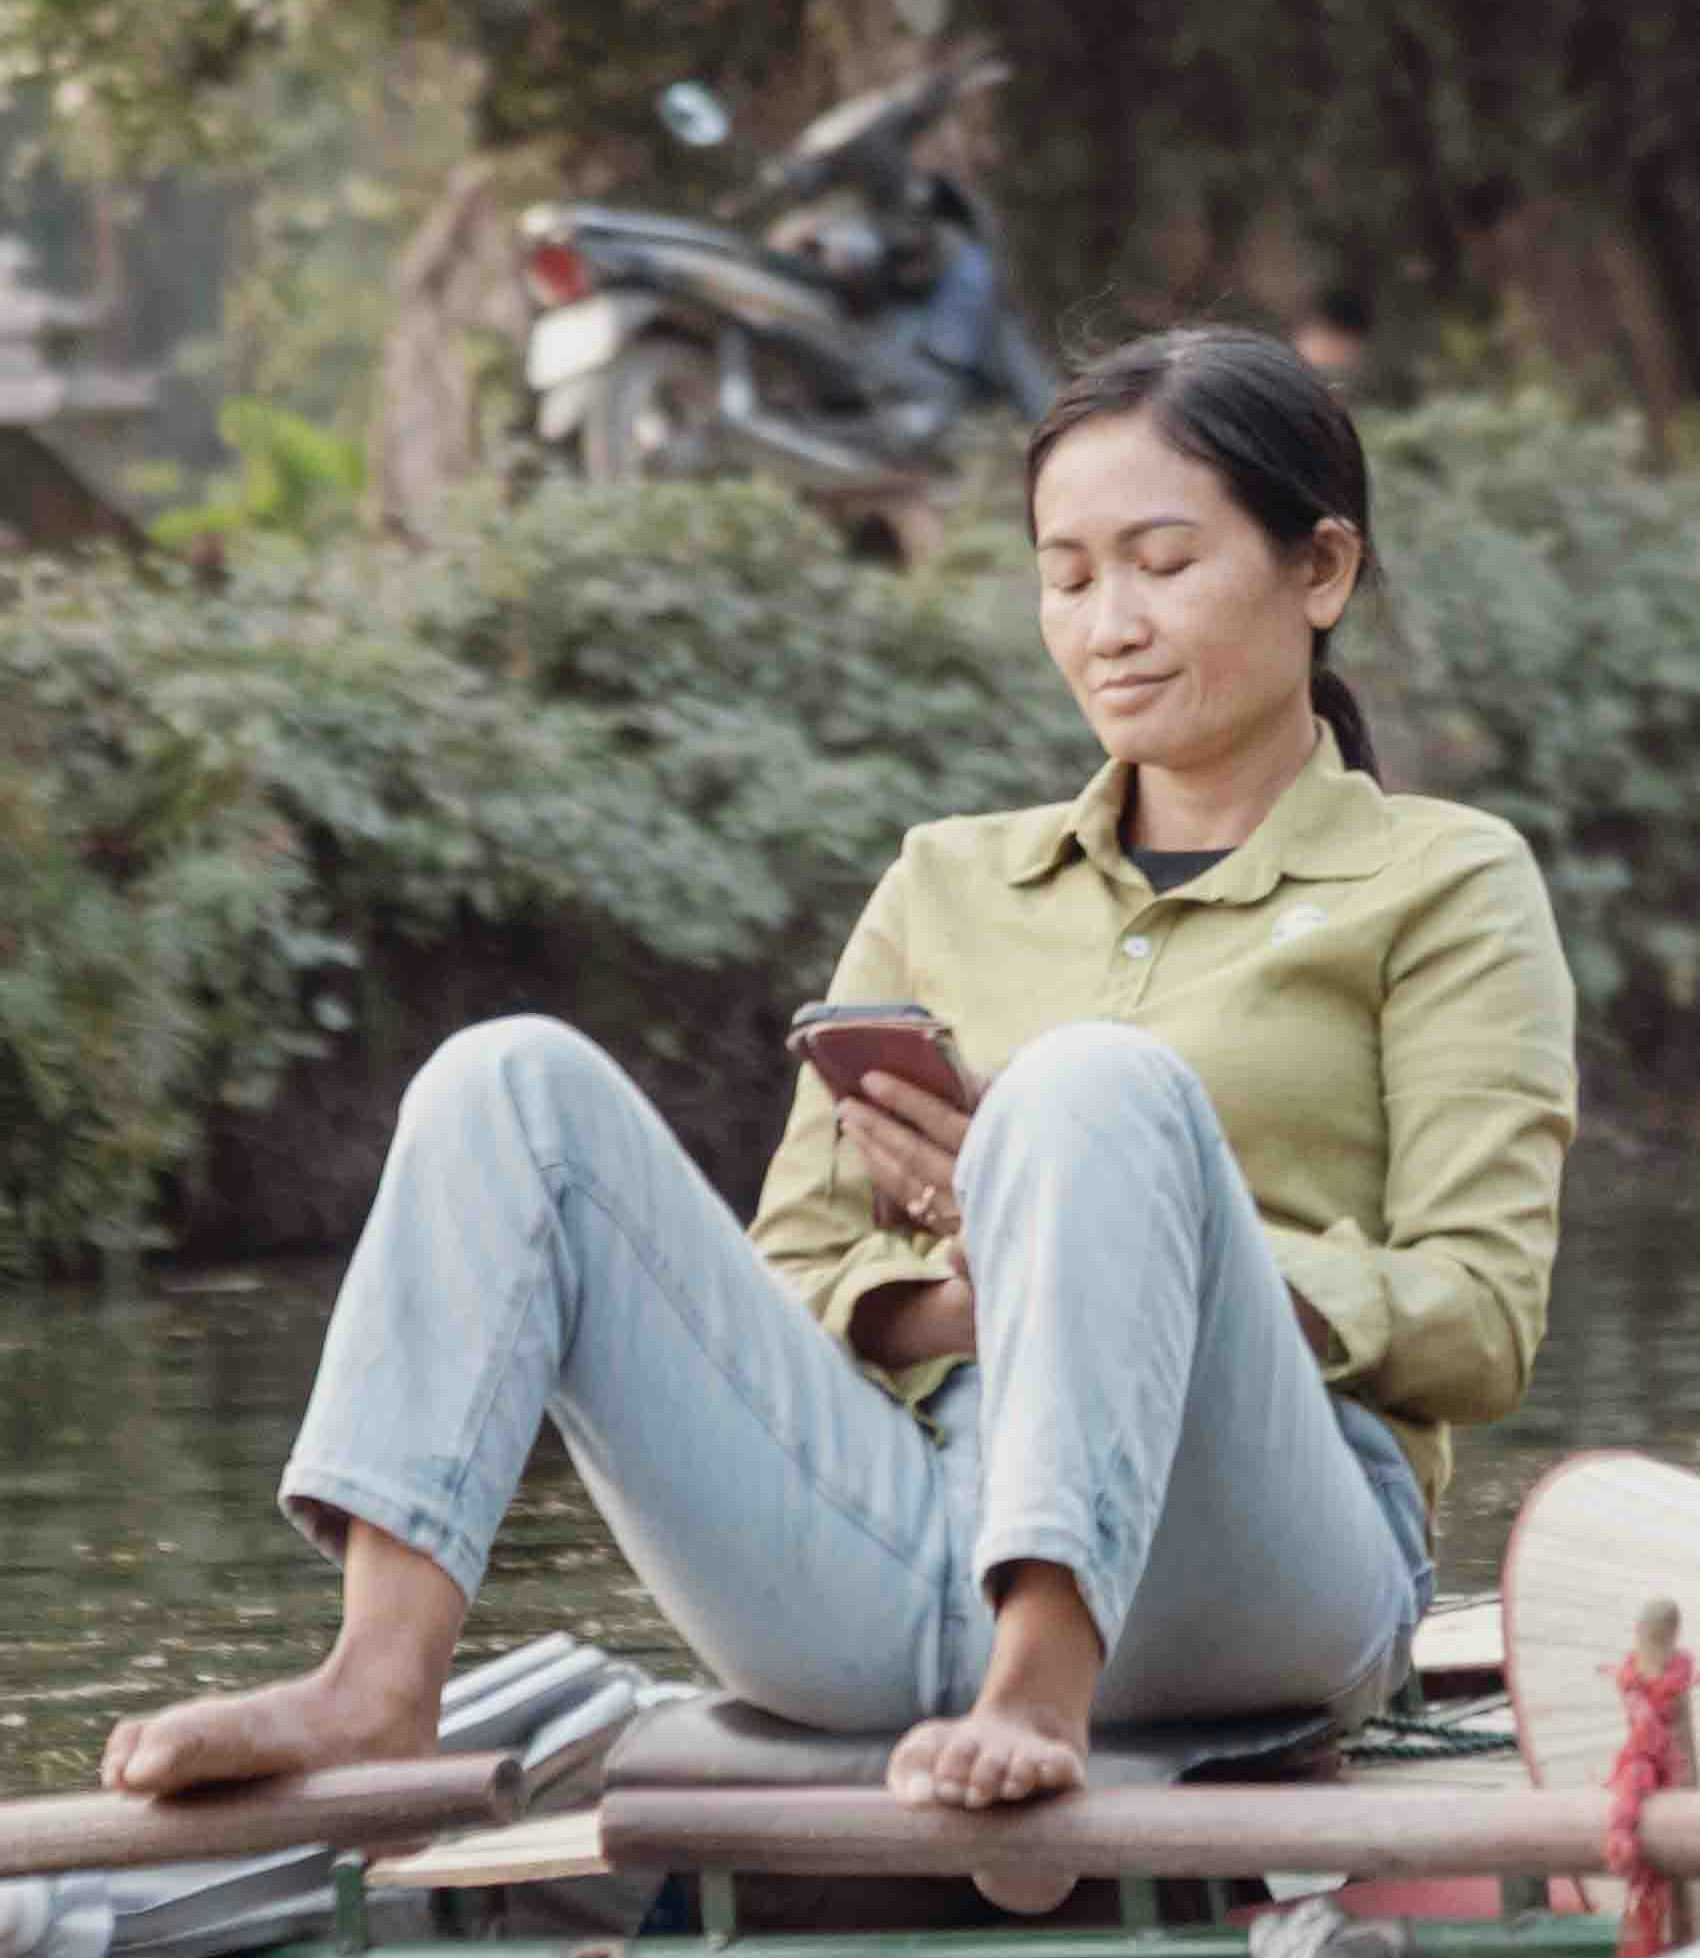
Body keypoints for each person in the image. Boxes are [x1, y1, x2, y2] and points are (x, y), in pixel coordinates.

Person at [97, 326, 1578, 1815]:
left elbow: (1479, 1324)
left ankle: (1042, 1680)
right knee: (507, 1084)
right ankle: (375, 1684)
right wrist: (994, 1292)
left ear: (1317, 570)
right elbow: (789, 1269)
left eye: (1162, 563)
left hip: (1248, 1593)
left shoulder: (1443, 880)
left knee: (1085, 1091)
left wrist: (1148, 1266)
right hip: (887, 1555)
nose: (1108, 623)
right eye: (1066, 576)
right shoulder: (947, 884)